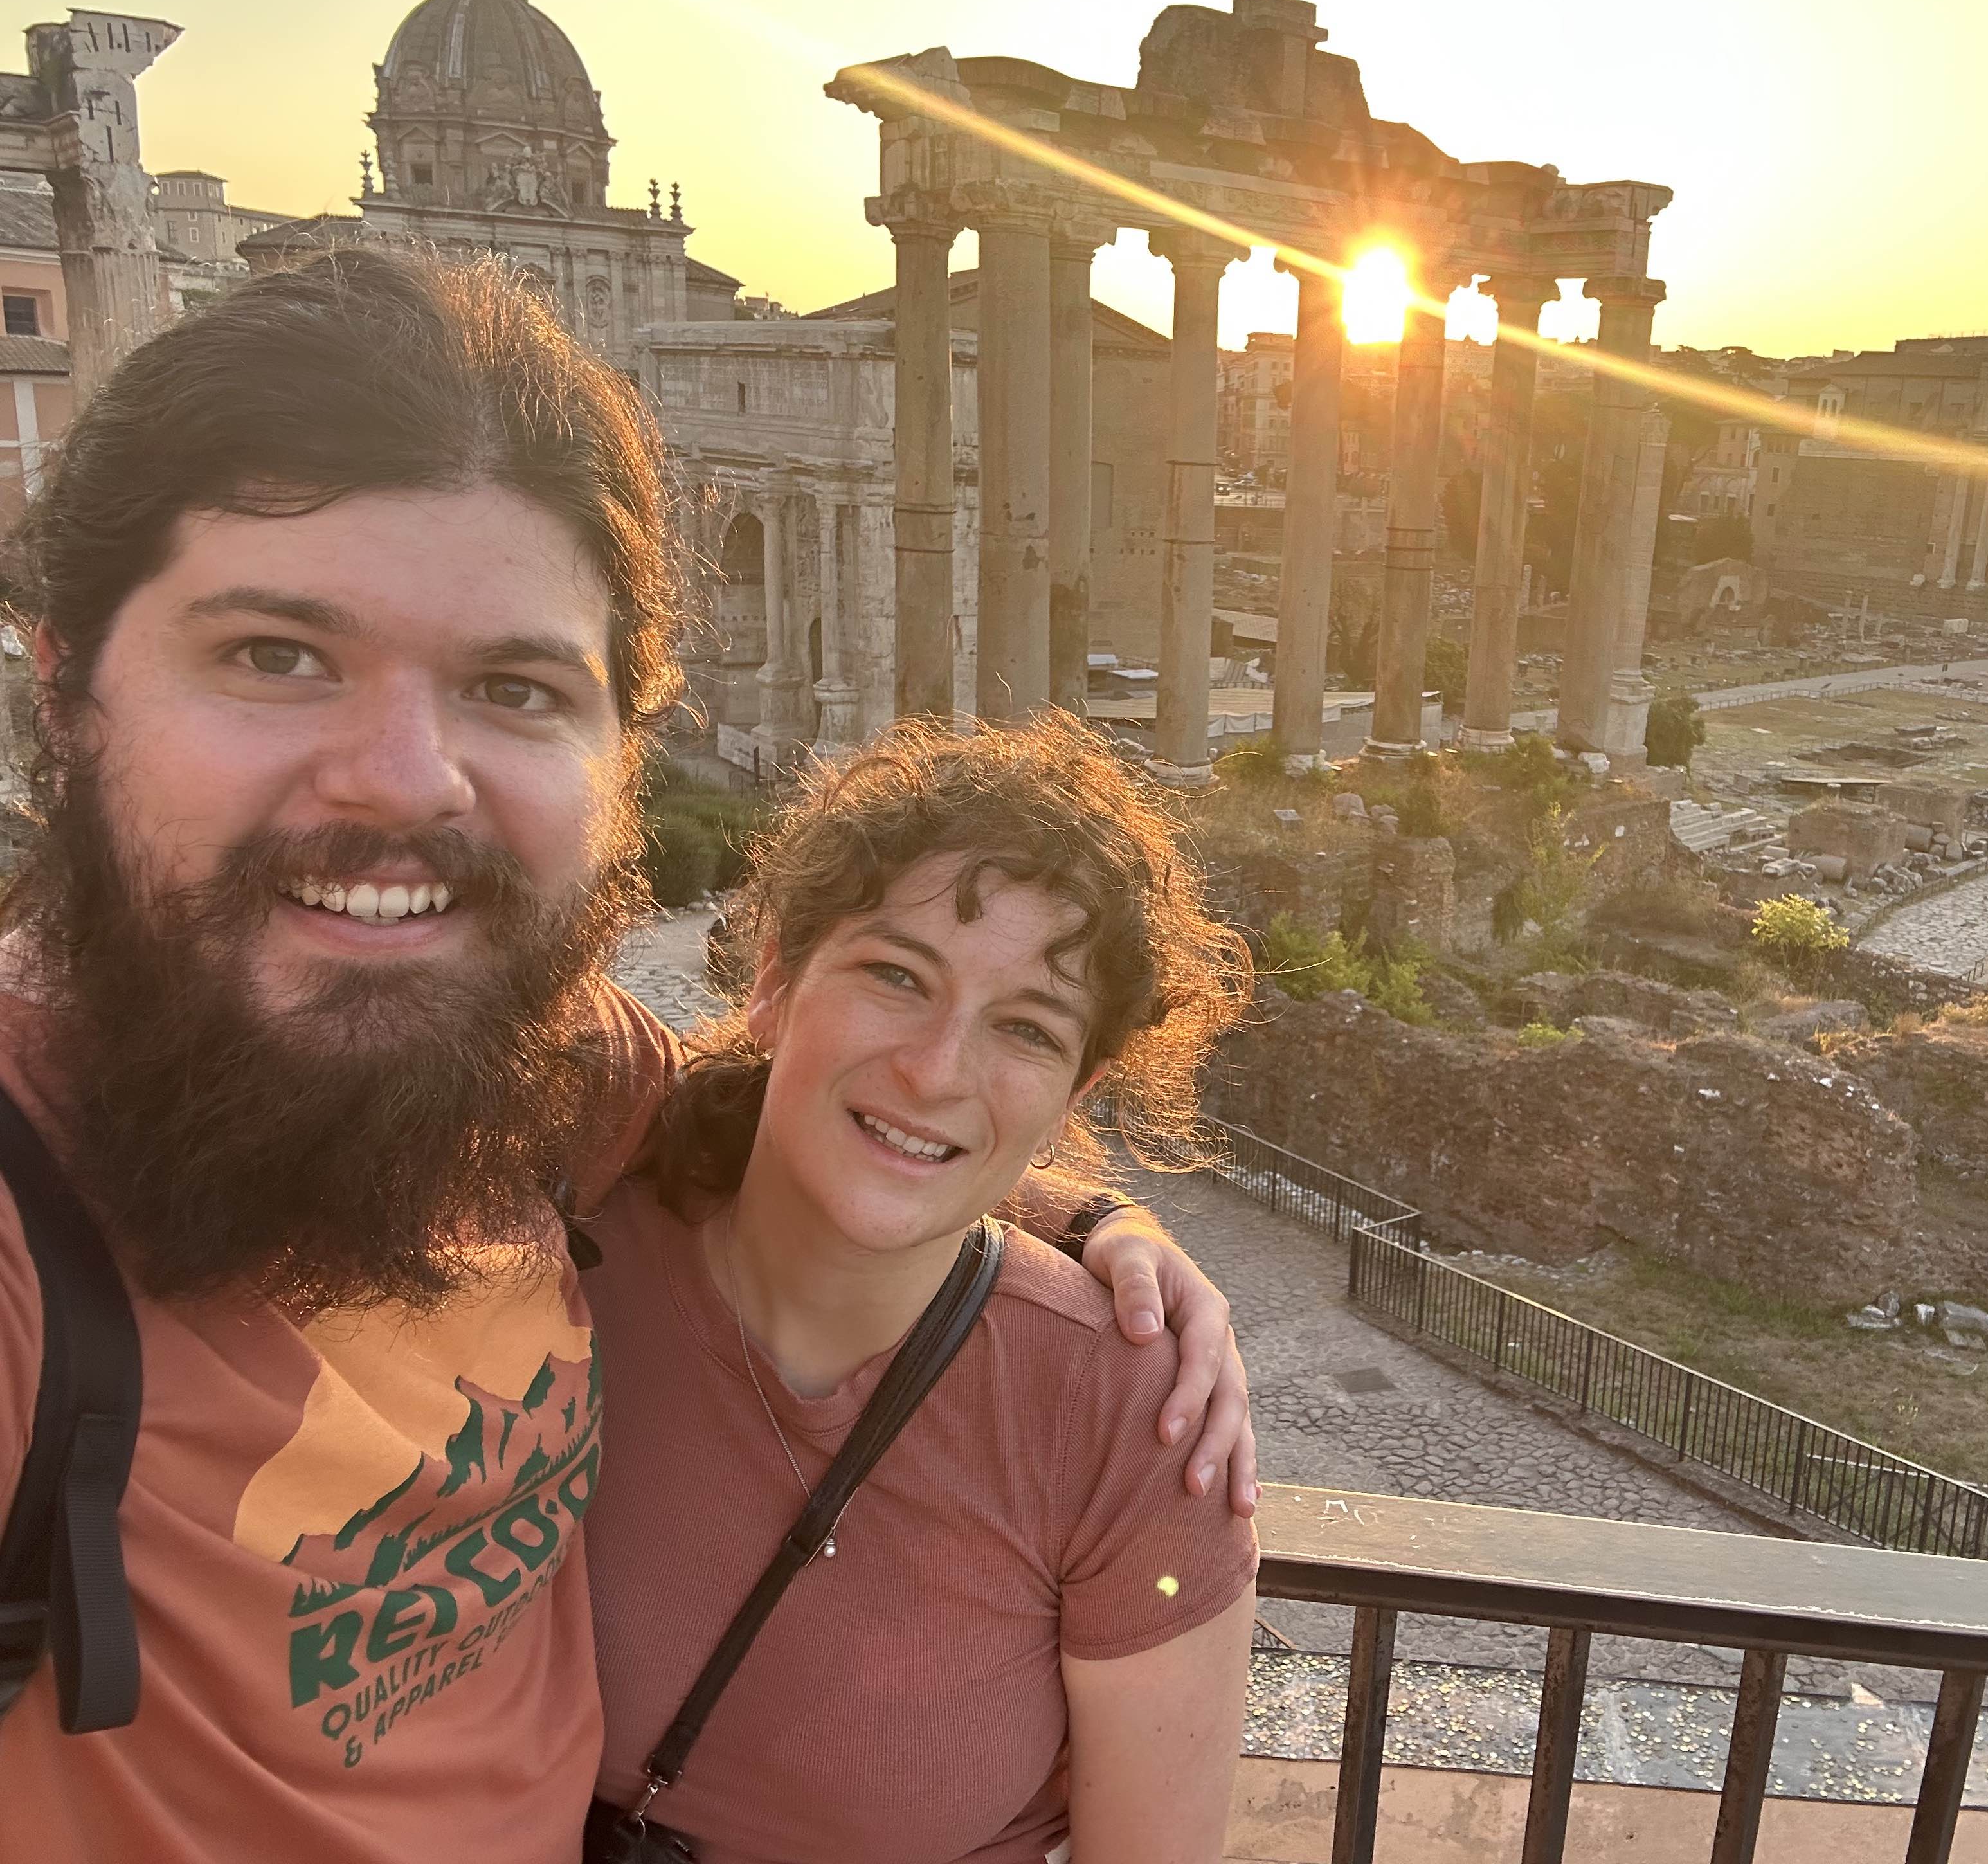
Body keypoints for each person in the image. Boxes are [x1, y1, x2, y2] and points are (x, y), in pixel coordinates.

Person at [0, 250, 1252, 1861]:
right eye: (276, 654)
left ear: (618, 758)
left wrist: (1090, 1221)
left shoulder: (543, 1075)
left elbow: (823, 1104)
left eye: (513, 687)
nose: (404, 779)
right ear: (63, 686)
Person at [584, 718, 1256, 1863]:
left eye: (1025, 1029)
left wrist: (1090, 1217)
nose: (938, 1068)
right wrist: (1090, 1211)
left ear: (1073, 1095)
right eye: (897, 976)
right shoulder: (571, 1234)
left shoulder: (1131, 1422)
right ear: (774, 981)